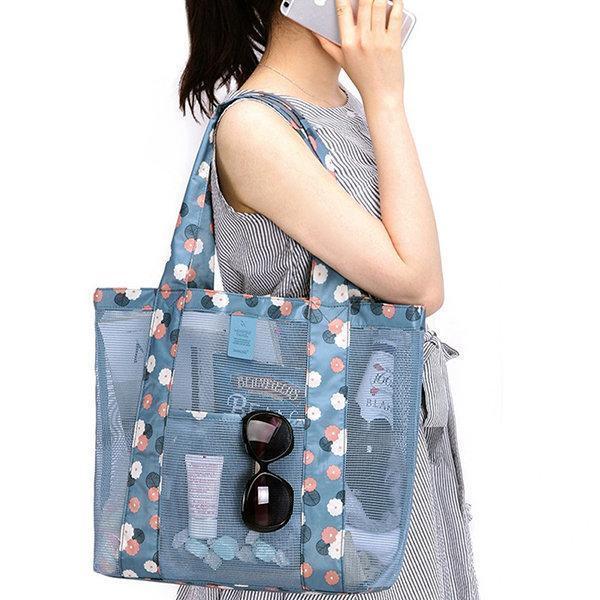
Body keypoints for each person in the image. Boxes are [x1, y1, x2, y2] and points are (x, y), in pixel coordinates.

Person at [177, 1, 479, 599]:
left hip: (377, 463)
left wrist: (377, 100)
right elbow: (419, 284)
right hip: (309, 481)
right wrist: (387, 99)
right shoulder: (255, 125)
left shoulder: (344, 109)